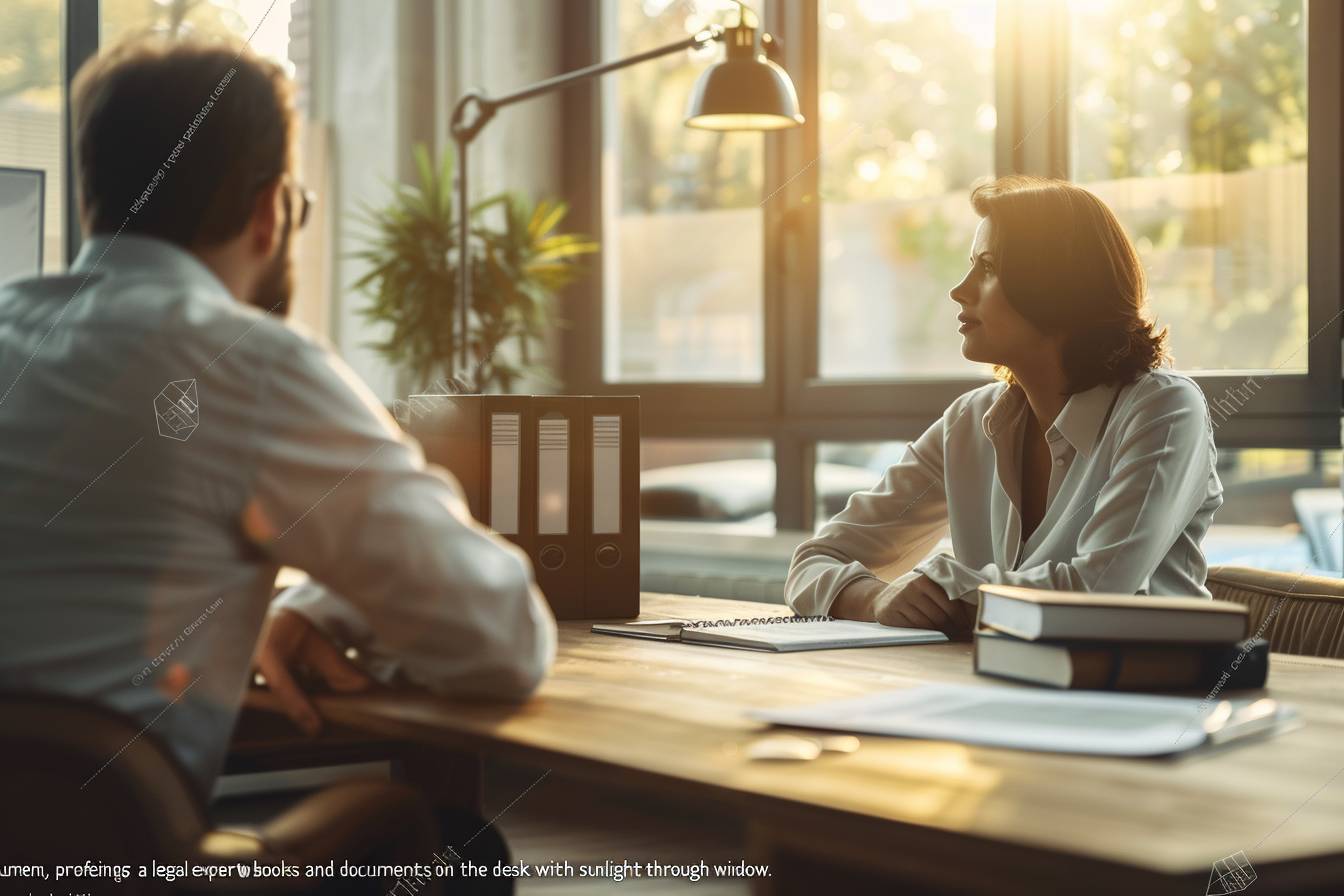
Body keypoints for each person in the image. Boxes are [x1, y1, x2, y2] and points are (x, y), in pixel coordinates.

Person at [0, 33, 553, 887]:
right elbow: (500, 638)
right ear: (271, 211)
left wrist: (317, 605)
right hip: (123, 862)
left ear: (90, 203)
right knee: (459, 847)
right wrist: (334, 604)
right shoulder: (247, 364)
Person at [787, 176, 1224, 634]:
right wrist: (878, 597)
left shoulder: (1164, 409)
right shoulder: (970, 423)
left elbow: (1097, 594)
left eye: (988, 268)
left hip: (1150, 694)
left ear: (1058, 284)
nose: (960, 290)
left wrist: (945, 584)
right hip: (999, 684)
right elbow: (816, 561)